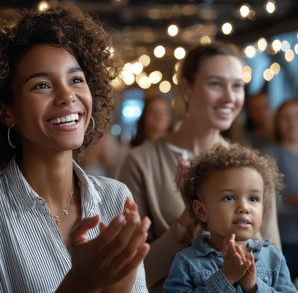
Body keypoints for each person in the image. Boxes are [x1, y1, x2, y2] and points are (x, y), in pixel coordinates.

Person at [0, 4, 150, 292]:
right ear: (6, 111)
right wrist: (80, 285)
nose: (67, 95)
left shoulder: (116, 198)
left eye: (76, 79)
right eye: (41, 85)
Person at [118, 42, 280, 293]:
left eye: (237, 86)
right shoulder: (141, 162)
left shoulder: (250, 167)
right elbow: (133, 274)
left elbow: (274, 262)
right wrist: (187, 217)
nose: (230, 97)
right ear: (186, 88)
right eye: (215, 84)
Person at [164, 143, 296, 292]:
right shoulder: (186, 262)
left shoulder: (273, 258)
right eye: (229, 197)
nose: (244, 208)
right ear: (201, 210)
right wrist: (225, 277)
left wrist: (253, 287)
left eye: (253, 199)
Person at [264, 97, 298, 284]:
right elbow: (264, 203)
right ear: (277, 122)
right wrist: (291, 202)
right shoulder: (270, 154)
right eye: (286, 117)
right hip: (284, 239)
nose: (292, 122)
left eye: (296, 116)